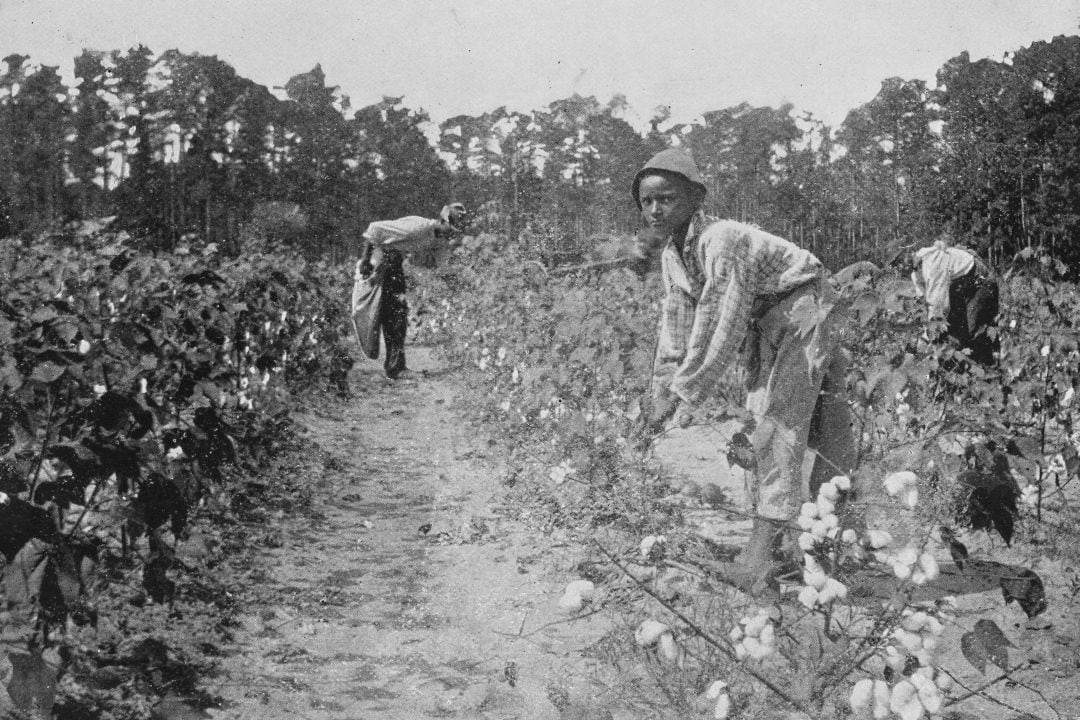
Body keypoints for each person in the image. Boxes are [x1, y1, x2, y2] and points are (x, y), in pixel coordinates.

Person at [633, 148, 856, 590]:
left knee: (777, 426)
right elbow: (675, 330)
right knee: (798, 429)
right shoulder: (673, 257)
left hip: (805, 311)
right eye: (647, 201)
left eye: (667, 198)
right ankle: (802, 551)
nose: (656, 209)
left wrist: (680, 394)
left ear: (696, 199)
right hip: (774, 320)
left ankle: (759, 563)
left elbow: (721, 319)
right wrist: (660, 390)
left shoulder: (723, 239)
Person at [356, 204, 466, 379]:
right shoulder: (418, 227)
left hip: (394, 265)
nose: (451, 233)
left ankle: (396, 367)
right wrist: (365, 259)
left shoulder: (439, 240)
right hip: (379, 262)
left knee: (397, 318)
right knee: (389, 316)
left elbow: (444, 268)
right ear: (442, 221)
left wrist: (462, 290)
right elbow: (374, 228)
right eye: (451, 228)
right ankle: (395, 368)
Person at [910, 236, 999, 365]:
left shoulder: (932, 263)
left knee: (970, 332)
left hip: (980, 283)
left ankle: (984, 370)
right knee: (954, 331)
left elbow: (939, 306)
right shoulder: (915, 274)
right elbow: (925, 302)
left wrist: (926, 338)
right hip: (961, 287)